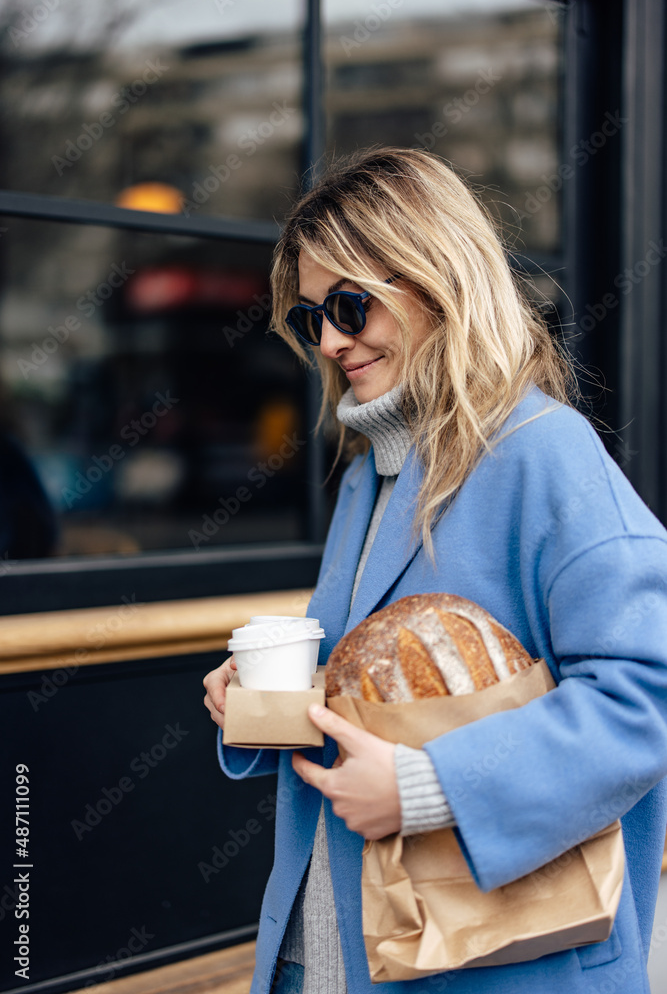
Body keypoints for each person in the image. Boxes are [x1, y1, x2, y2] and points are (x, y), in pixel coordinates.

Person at [203, 147, 667, 994]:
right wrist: (262, 705)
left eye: (350, 307)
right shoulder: (370, 473)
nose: (333, 341)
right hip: (339, 942)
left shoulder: (542, 452)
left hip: (495, 961)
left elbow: (647, 698)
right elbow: (374, 700)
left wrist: (430, 787)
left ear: (436, 280)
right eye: (313, 320)